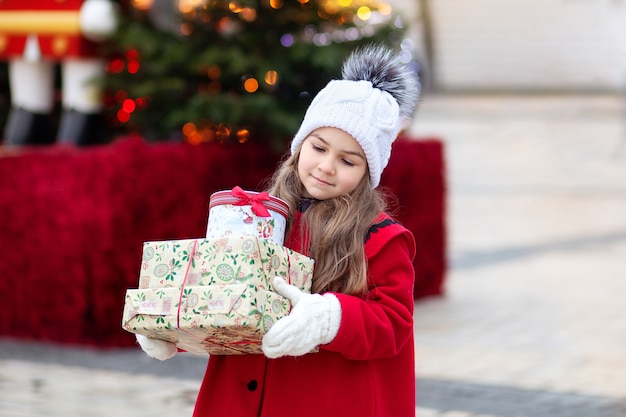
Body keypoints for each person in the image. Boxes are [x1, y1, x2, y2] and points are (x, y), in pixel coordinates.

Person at [137, 43, 421, 417]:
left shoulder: (379, 238)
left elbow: (393, 323)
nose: (326, 167)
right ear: (301, 144)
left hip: (322, 401)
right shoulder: (259, 217)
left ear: (368, 172)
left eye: (348, 161)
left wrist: (327, 319)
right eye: (319, 148)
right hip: (241, 399)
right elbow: (233, 302)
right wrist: (175, 326)